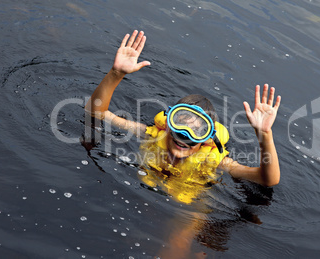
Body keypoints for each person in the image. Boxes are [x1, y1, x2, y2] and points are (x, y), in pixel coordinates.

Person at [85, 30, 281, 194]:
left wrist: (265, 134)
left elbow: (268, 180)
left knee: (180, 238)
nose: (185, 135)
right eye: (181, 123)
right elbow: (96, 112)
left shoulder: (216, 161)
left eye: (197, 130)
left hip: (189, 205)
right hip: (143, 189)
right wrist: (116, 74)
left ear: (207, 138)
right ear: (169, 123)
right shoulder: (150, 134)